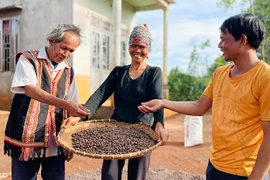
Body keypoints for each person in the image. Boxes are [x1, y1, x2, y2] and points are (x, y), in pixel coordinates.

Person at [138, 13, 270, 180]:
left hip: (245, 173)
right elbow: (200, 106)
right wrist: (163, 103)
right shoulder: (220, 73)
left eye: (224, 39)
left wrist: (256, 177)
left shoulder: (265, 78)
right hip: (215, 166)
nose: (220, 45)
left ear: (242, 40)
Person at [65, 24, 169, 180]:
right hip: (116, 129)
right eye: (134, 45)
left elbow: (157, 99)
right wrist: (78, 116)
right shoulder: (118, 72)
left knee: (137, 176)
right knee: (109, 175)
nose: (137, 50)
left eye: (142, 46)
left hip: (143, 131)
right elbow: (99, 96)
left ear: (148, 49)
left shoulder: (153, 73)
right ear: (129, 47)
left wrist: (159, 124)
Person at [4, 24, 90, 180]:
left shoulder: (68, 71)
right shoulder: (28, 59)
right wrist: (64, 104)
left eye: (71, 51)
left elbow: (73, 104)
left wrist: (72, 127)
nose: (67, 54)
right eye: (64, 48)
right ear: (51, 41)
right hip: (27, 138)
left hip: (55, 141)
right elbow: (30, 90)